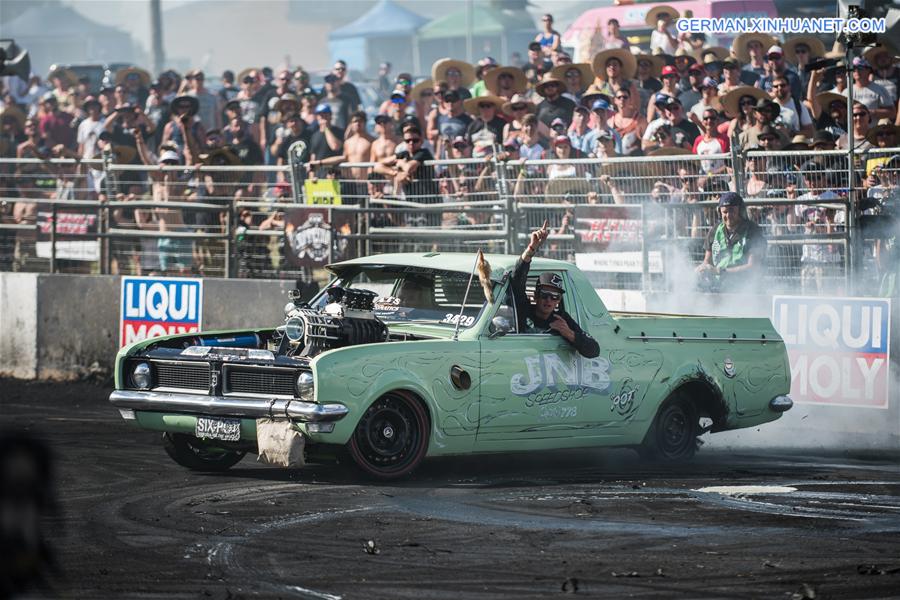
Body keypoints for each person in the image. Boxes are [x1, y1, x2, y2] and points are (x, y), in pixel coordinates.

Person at [510, 221, 600, 357]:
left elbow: (594, 350)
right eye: (544, 294)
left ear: (559, 300)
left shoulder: (560, 320)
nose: (549, 300)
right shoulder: (523, 309)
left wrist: (568, 333)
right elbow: (517, 280)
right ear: (535, 295)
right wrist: (531, 249)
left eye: (554, 296)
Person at [696, 192, 765, 289]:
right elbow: (707, 261)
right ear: (719, 212)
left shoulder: (752, 231)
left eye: (732, 211)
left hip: (745, 287)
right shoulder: (715, 230)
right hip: (718, 286)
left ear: (740, 211)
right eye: (725, 212)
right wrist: (702, 269)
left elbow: (753, 268)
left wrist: (720, 271)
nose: (728, 215)